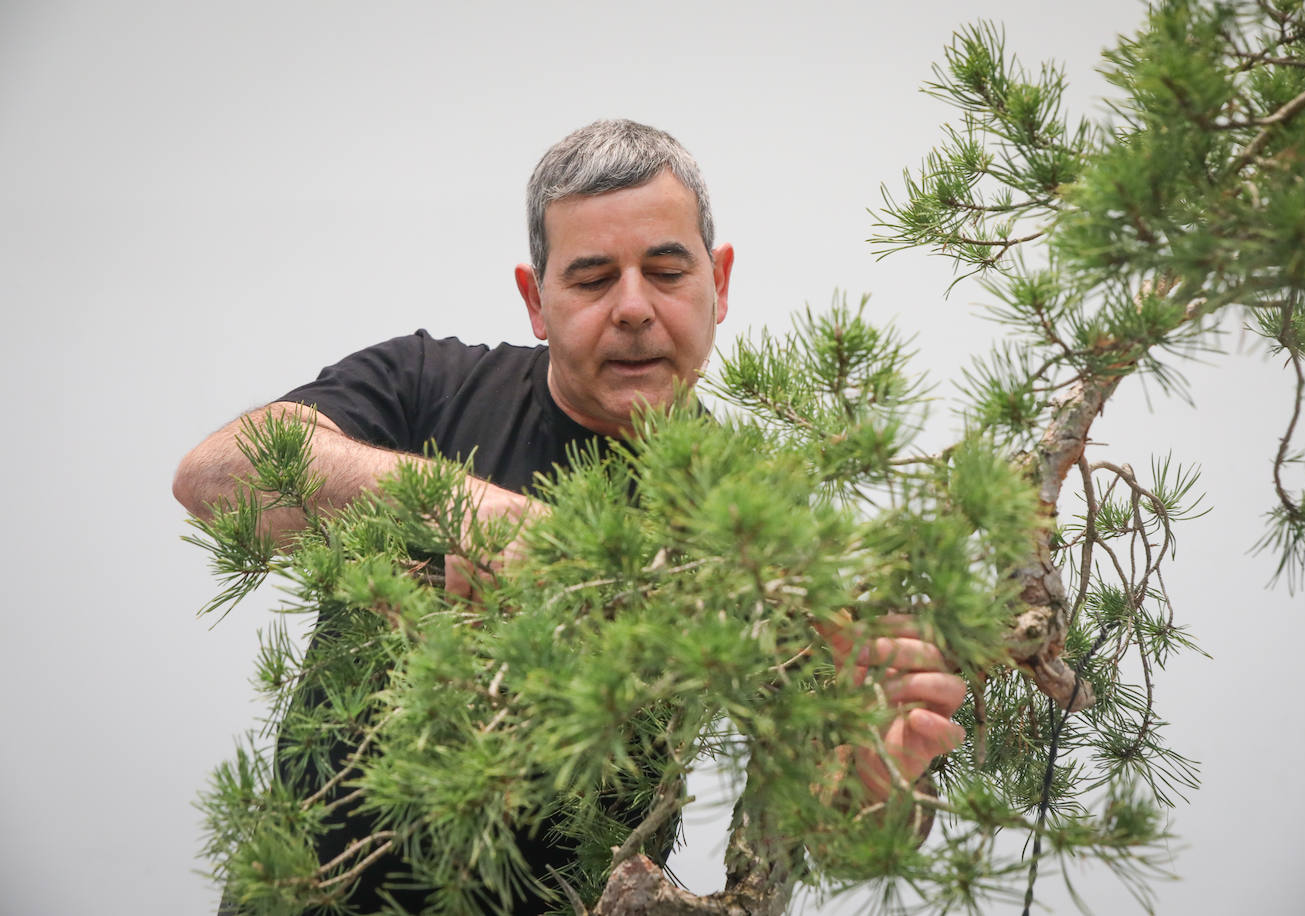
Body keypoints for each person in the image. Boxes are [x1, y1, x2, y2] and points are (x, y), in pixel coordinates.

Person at [174, 119, 966, 913]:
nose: (632, 308)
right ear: (536, 299)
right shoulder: (427, 387)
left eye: (666, 271)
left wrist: (877, 780)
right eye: (591, 279)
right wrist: (472, 513)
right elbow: (213, 476)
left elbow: (834, 822)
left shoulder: (752, 509)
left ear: (719, 284)